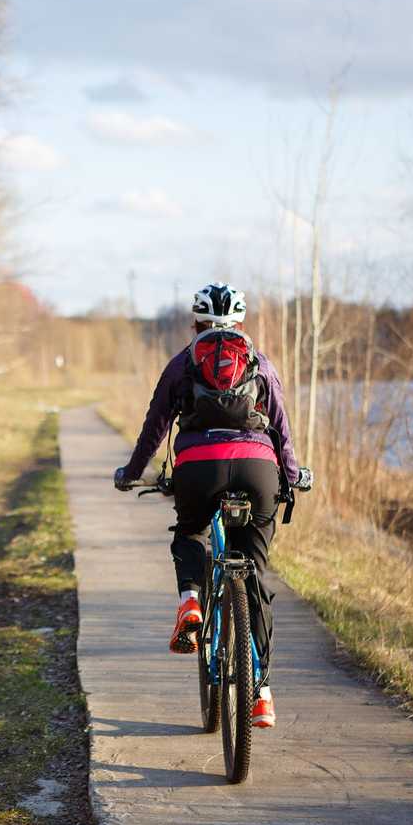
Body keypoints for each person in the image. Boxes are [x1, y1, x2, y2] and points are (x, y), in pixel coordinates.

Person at [113, 282, 312, 728]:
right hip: (258, 470)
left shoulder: (182, 364)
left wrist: (130, 473)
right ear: (240, 323)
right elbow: (280, 426)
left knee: (190, 534)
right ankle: (260, 693)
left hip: (197, 468)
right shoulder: (260, 364)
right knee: (254, 575)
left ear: (195, 322)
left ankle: (191, 600)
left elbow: (155, 427)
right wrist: (294, 475)